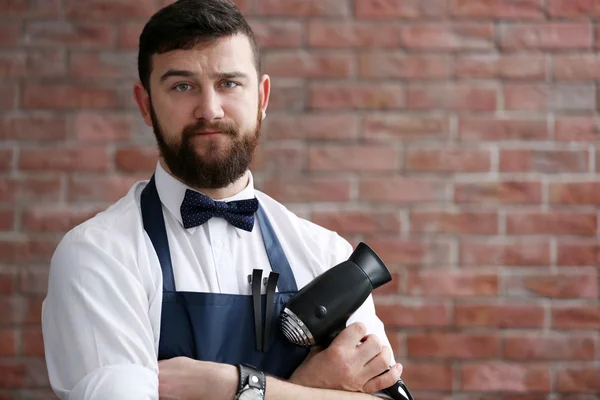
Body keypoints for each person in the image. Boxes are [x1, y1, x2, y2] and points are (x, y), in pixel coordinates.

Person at [41, 1, 405, 399]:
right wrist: (311, 390)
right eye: (182, 86)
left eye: (229, 83)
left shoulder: (328, 256)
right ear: (146, 104)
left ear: (262, 97)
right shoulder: (98, 254)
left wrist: (233, 387)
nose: (209, 110)